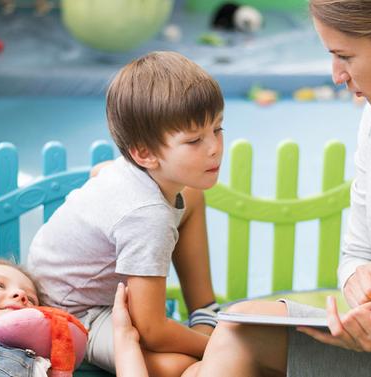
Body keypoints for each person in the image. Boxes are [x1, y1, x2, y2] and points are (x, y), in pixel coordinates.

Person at [114, 0, 371, 376]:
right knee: (238, 325)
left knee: (237, 339)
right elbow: (357, 255)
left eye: (344, 55)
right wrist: (361, 280)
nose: (335, 75)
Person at [27, 51, 224, 377]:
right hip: (73, 312)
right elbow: (152, 331)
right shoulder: (147, 217)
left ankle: (205, 311)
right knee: (180, 366)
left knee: (193, 197)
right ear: (144, 153)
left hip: (70, 278)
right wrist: (217, 347)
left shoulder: (133, 171)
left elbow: (98, 173)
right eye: (194, 140)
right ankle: (210, 336)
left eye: (218, 129)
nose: (215, 147)